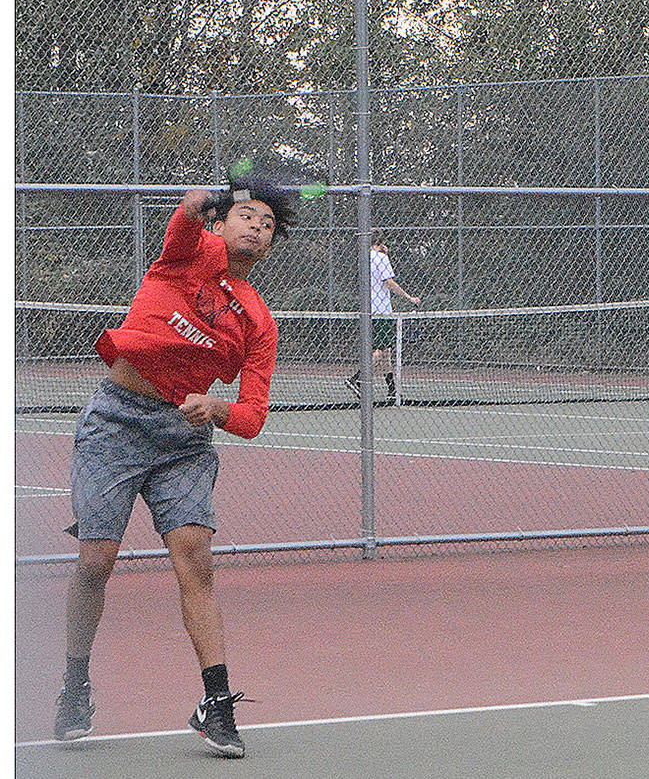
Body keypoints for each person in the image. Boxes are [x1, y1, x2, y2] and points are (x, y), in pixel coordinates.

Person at [53, 170, 296, 758]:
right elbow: (182, 225)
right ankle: (74, 685)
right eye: (248, 217)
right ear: (220, 224)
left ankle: (215, 704)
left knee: (195, 559)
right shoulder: (189, 256)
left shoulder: (259, 322)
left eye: (269, 225)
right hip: (115, 423)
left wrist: (216, 408)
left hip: (182, 441)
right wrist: (193, 206)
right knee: (95, 562)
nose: (258, 231)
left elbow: (253, 415)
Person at [345, 231, 420, 402]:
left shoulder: (366, 258)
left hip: (370, 309)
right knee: (378, 352)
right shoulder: (381, 258)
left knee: (386, 352)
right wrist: (409, 298)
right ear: (381, 244)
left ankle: (392, 390)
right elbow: (388, 282)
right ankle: (356, 379)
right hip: (380, 311)